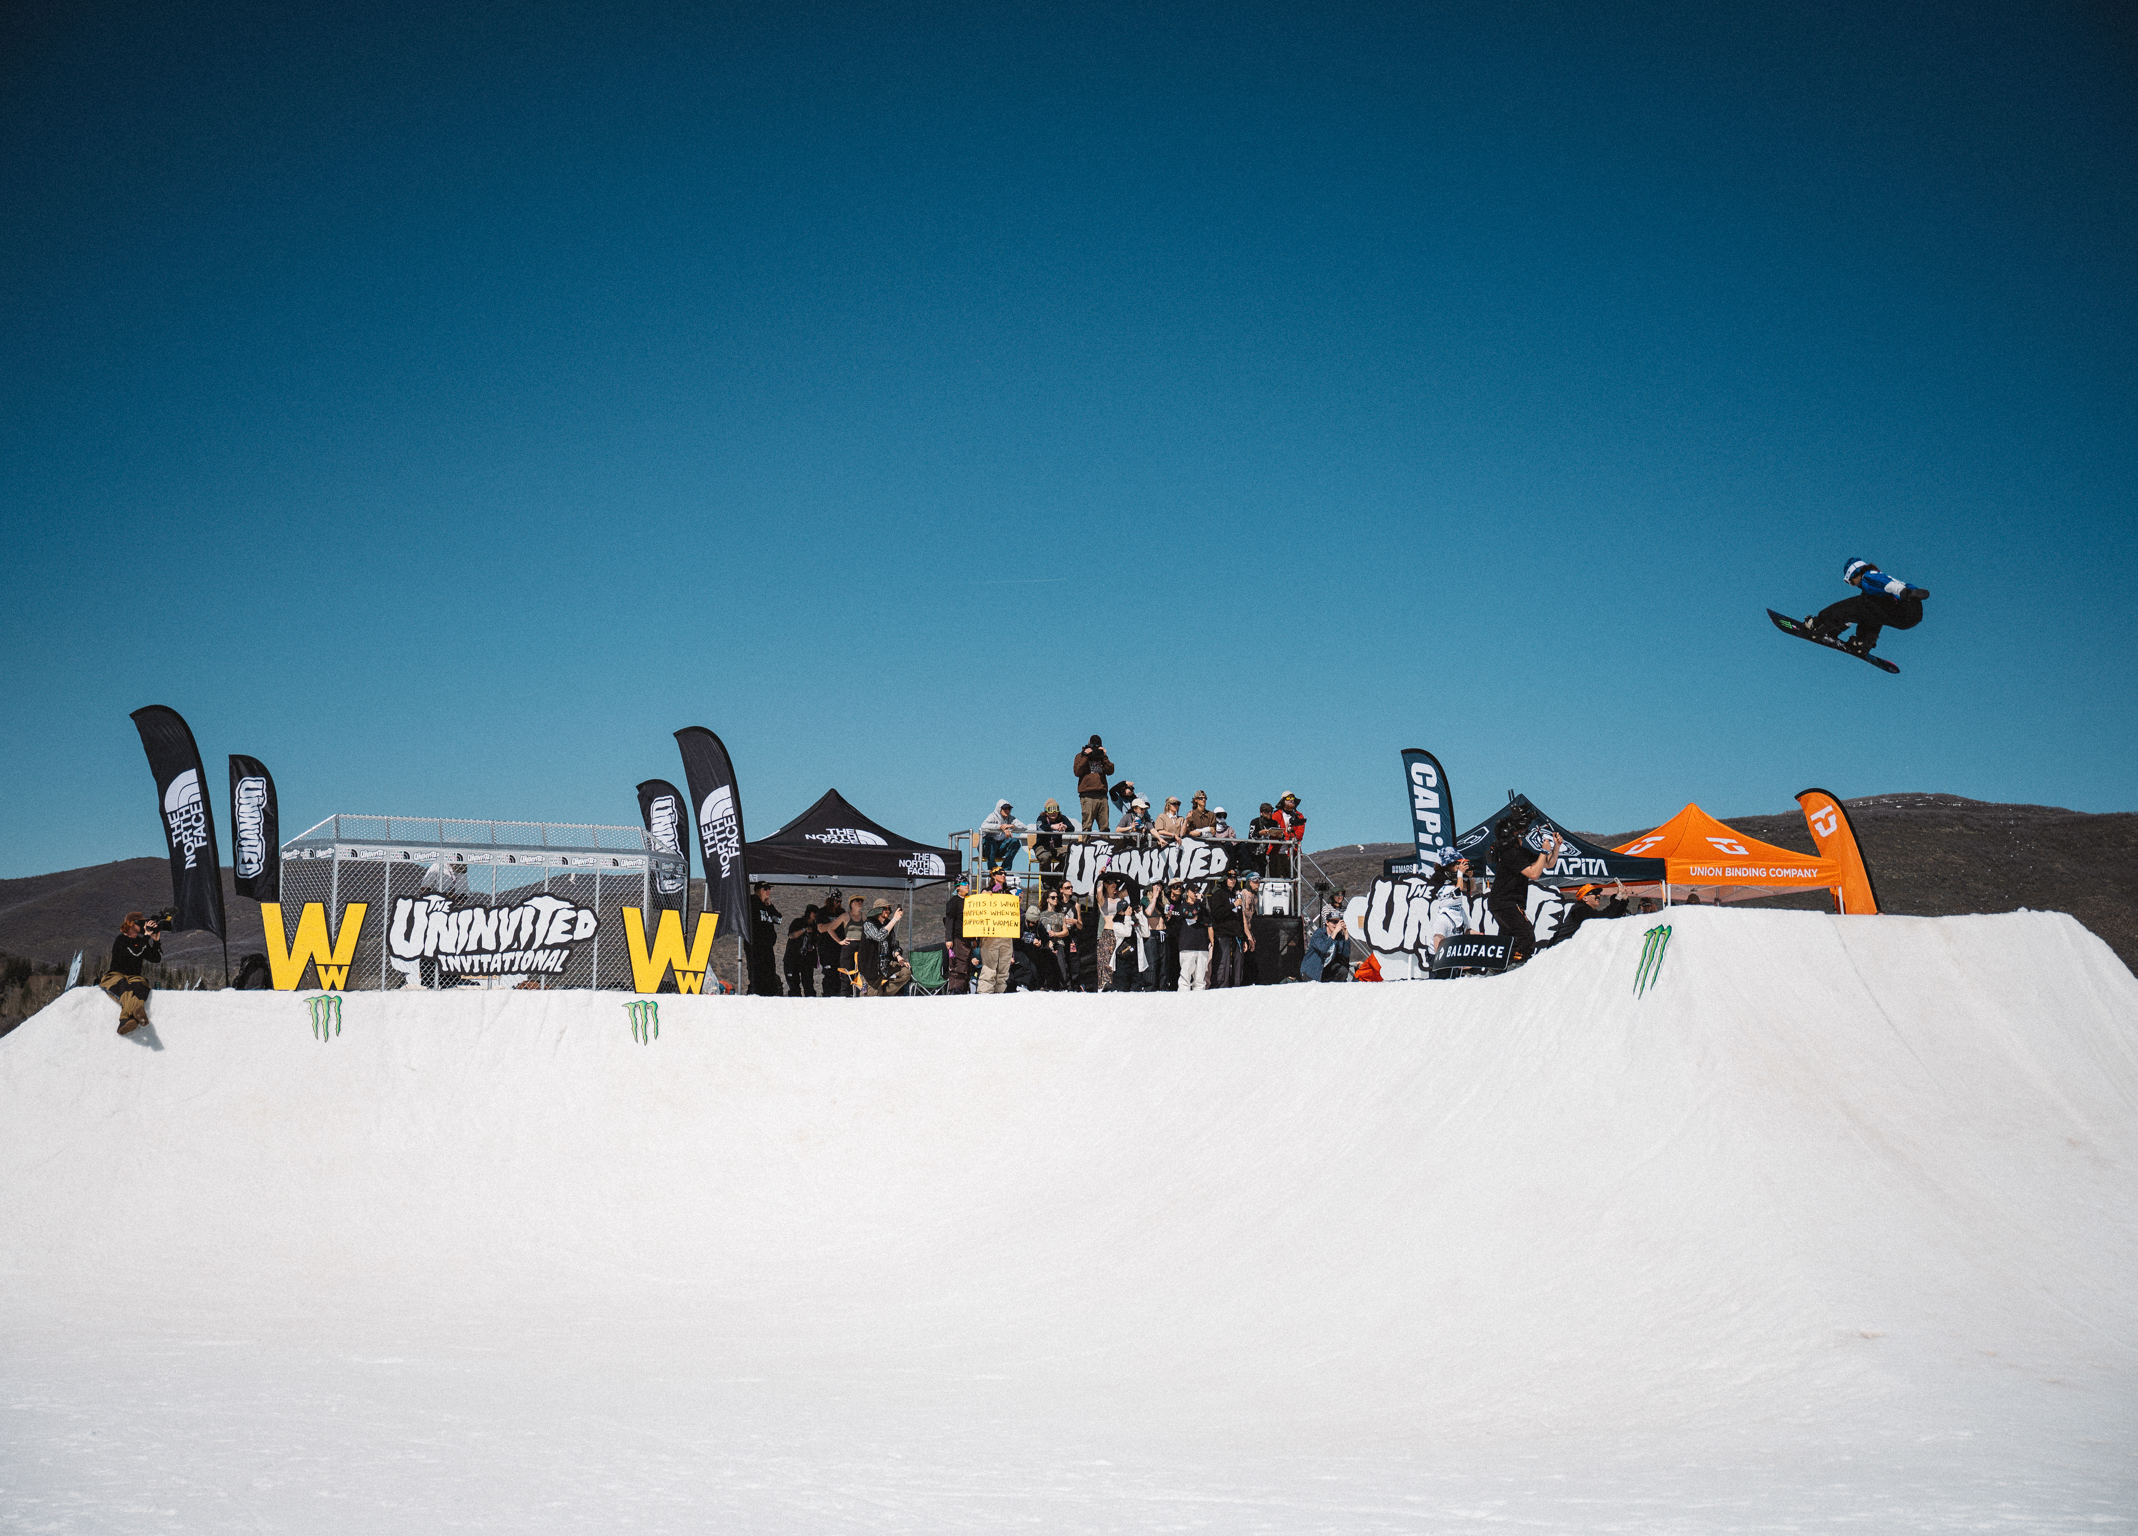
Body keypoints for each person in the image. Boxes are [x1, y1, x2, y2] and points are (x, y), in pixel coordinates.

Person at [1807, 558, 1930, 657]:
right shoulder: (1875, 586)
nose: (1853, 585)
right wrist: (1838, 630)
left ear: (1855, 574)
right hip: (1911, 616)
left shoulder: (1868, 577)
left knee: (1859, 603)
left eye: (1850, 581)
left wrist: (1906, 593)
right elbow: (1854, 614)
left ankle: (1816, 624)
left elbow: (1889, 586)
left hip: (1905, 607)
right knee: (1870, 611)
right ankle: (1863, 642)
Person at [1488, 817, 1562, 965]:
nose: (1523, 838)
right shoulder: (1510, 853)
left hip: (1502, 903)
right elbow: (1534, 874)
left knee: (1509, 939)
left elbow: (1547, 864)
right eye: (1520, 835)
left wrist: (1556, 847)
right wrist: (1543, 850)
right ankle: (1517, 967)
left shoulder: (1519, 852)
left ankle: (1498, 969)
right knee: (1525, 935)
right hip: (1506, 902)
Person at [101, 910, 164, 1035]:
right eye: (139, 923)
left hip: (134, 976)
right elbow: (135, 952)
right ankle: (132, 1015)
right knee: (125, 987)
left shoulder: (141, 942)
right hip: (115, 975)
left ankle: (128, 1020)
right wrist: (146, 936)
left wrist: (156, 941)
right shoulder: (121, 939)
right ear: (130, 924)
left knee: (141, 986)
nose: (141, 926)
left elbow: (156, 958)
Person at [1548, 881, 1631, 949]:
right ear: (1585, 898)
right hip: (1559, 951)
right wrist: (1618, 897)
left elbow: (1611, 919)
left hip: (1567, 950)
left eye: (1598, 893)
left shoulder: (1586, 911)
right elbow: (1604, 918)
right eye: (1594, 893)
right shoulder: (1580, 910)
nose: (1598, 895)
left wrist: (1624, 899)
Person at [975, 869, 1018, 994]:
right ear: (993, 876)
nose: (1003, 876)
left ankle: (1000, 994)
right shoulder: (987, 891)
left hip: (1006, 935)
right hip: (991, 936)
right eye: (1000, 873)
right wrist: (988, 895)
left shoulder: (1009, 894)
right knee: (989, 968)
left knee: (1003, 970)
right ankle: (985, 994)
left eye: (1005, 874)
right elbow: (980, 905)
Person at [1208, 871, 1247, 987]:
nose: (1233, 880)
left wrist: (1243, 937)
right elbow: (1217, 914)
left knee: (1238, 963)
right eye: (1230, 878)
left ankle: (1237, 986)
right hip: (1222, 933)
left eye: (1235, 878)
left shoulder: (1236, 895)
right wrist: (1233, 905)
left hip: (1236, 935)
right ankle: (1221, 987)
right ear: (1224, 879)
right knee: (1222, 963)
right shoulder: (1218, 894)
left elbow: (1240, 918)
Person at [860, 900, 907, 995]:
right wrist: (894, 920)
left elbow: (893, 945)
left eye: (889, 909)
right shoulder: (868, 924)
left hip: (886, 965)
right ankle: (876, 993)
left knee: (905, 973)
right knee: (871, 1000)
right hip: (872, 967)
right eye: (885, 909)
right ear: (878, 910)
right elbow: (879, 936)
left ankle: (884, 993)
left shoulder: (889, 924)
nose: (888, 911)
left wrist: (899, 956)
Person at [747, 882, 783, 996]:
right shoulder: (752, 902)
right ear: (758, 890)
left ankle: (769, 994)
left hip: (768, 946)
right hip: (755, 945)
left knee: (770, 972)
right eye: (765, 889)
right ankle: (756, 993)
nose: (768, 891)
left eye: (769, 889)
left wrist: (770, 907)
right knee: (757, 972)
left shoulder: (767, 906)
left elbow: (779, 919)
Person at [1175, 886, 1213, 991]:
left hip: (1201, 945)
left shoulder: (1202, 908)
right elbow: (1191, 914)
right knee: (1185, 978)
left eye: (1197, 891)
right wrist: (1199, 905)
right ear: (1187, 892)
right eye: (1193, 890)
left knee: (1200, 980)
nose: (1196, 893)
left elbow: (1208, 922)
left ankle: (1198, 1003)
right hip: (1187, 946)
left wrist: (1199, 916)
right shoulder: (1183, 906)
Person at [1073, 736, 1114, 832]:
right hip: (1088, 796)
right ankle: (1085, 845)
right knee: (1087, 826)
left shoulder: (1101, 757)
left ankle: (1105, 845)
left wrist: (1104, 756)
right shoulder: (1080, 756)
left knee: (1104, 827)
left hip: (1102, 796)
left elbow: (1110, 771)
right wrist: (1086, 756)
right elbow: (1077, 772)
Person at [979, 800, 1029, 874]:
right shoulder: (992, 816)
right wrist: (1000, 827)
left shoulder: (1011, 819)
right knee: (991, 841)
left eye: (1009, 809)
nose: (1007, 810)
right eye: (1005, 808)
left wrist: (1012, 826)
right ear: (999, 809)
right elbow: (983, 826)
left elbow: (1024, 828)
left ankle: (1004, 871)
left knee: (1015, 841)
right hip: (986, 848)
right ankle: (993, 871)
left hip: (1000, 847)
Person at [1031, 799, 1074, 882]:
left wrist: (1065, 827)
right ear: (1046, 812)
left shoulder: (1062, 818)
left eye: (1056, 809)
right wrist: (1052, 827)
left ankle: (1056, 876)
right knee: (1045, 857)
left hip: (1057, 847)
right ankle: (1046, 879)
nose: (1054, 812)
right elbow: (1041, 828)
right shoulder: (1041, 818)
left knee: (1069, 857)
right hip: (1042, 846)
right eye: (1051, 809)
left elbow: (1071, 828)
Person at [1300, 912, 1351, 982]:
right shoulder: (1318, 934)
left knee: (1343, 971)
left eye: (1338, 922)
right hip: (1311, 971)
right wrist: (1334, 933)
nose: (1336, 925)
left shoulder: (1338, 937)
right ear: (1327, 922)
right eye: (1334, 922)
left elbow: (1345, 954)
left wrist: (1346, 936)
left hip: (1324, 971)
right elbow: (1323, 948)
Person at [783, 903, 821, 997]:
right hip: (792, 958)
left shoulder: (815, 926)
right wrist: (804, 930)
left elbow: (816, 942)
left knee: (809, 986)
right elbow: (791, 936)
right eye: (814, 912)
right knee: (794, 987)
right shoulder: (798, 922)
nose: (815, 914)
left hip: (807, 960)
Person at [943, 876, 972, 993]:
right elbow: (949, 921)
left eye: (968, 883)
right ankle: (956, 990)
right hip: (956, 938)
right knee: (958, 966)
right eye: (964, 883)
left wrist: (974, 939)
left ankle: (964, 989)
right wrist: (949, 939)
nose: (967, 885)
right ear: (958, 886)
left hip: (967, 938)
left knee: (967, 966)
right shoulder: (953, 902)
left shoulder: (970, 901)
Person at [1272, 793, 1307, 878]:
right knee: (1279, 880)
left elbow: (1299, 835)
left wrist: (1284, 835)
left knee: (1295, 880)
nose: (1291, 799)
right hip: (1278, 852)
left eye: (1293, 798)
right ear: (1283, 801)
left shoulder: (1299, 816)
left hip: (1294, 852)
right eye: (1288, 798)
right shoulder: (1276, 815)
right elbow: (1274, 833)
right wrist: (1287, 834)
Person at [1244, 803, 1280, 876]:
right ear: (1261, 813)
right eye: (1266, 811)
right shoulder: (1255, 822)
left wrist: (1280, 835)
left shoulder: (1274, 823)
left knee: (1261, 877)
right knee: (1252, 877)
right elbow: (1251, 836)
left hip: (1262, 855)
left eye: (1271, 811)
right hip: (1251, 854)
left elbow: (1281, 835)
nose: (1269, 813)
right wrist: (1260, 833)